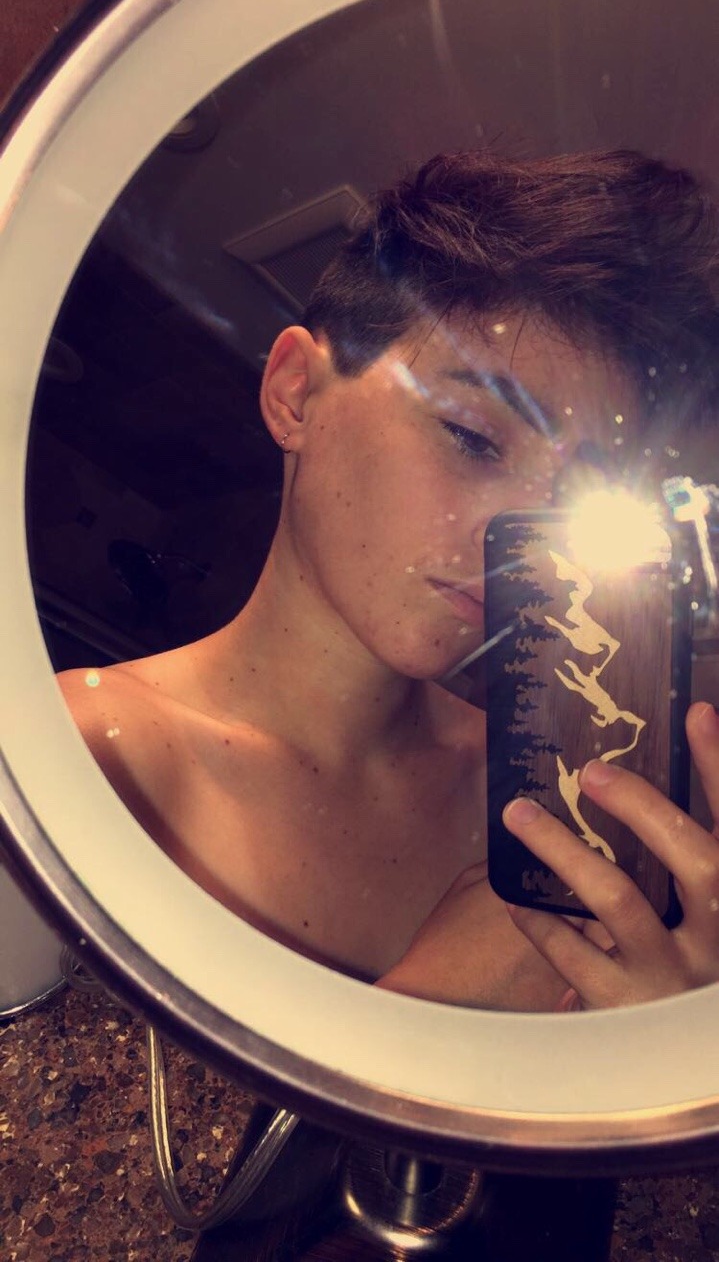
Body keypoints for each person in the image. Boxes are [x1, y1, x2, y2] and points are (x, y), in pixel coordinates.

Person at [59, 149, 719, 1012]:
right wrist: (428, 1019)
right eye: (472, 437)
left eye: (567, 496)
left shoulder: (561, 796)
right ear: (294, 392)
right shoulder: (70, 763)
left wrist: (659, 1042)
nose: (518, 547)